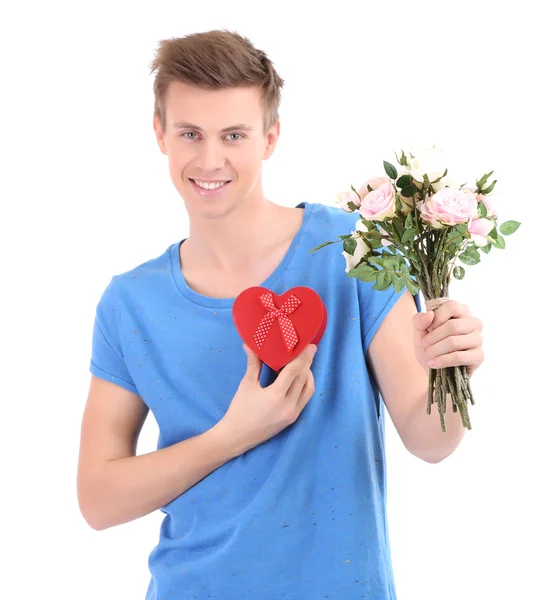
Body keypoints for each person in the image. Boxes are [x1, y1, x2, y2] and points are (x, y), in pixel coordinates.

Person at [77, 29, 485, 600]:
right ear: (159, 134)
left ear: (270, 138)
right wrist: (231, 436)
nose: (210, 159)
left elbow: (431, 441)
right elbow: (97, 499)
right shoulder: (129, 303)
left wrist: (450, 368)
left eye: (234, 135)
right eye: (190, 133)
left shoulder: (356, 250)